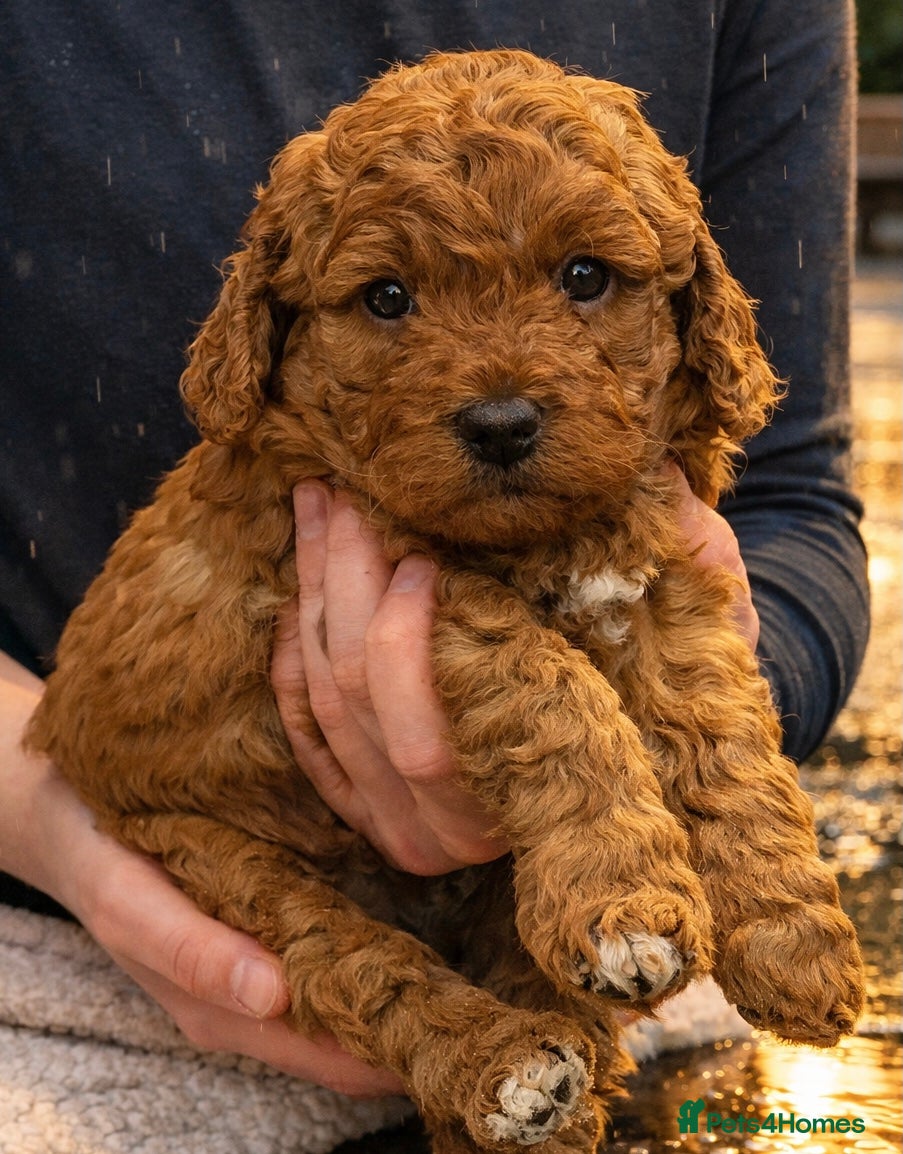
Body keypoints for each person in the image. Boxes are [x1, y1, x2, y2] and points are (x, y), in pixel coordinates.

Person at [0, 0, 868, 1099]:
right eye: (389, 297)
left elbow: (792, 499)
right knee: (350, 953)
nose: (498, 392)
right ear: (266, 323)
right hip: (113, 897)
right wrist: (34, 814)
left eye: (586, 278)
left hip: (571, 900)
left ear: (696, 301)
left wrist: (709, 693)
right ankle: (472, 1052)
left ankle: (555, 1031)